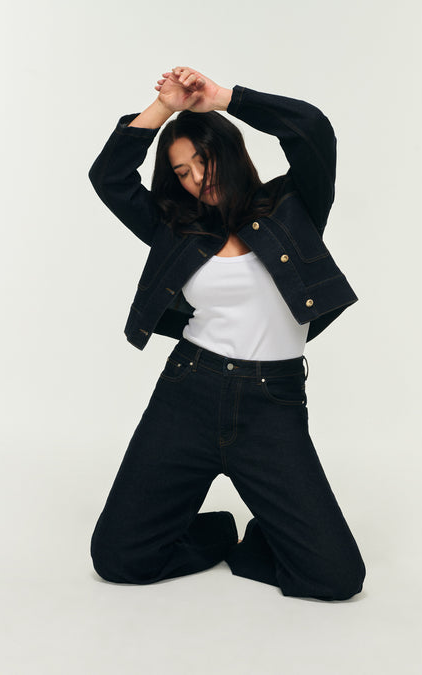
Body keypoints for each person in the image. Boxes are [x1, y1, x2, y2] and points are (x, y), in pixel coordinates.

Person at [88, 66, 366, 601]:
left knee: (335, 578)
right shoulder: (175, 227)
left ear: (229, 150)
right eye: (183, 171)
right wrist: (163, 108)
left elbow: (312, 129)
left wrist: (223, 97)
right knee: (119, 559)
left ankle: (266, 537)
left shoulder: (293, 206)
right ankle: (216, 532)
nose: (196, 177)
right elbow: (109, 177)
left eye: (203, 160)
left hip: (272, 405)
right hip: (187, 393)